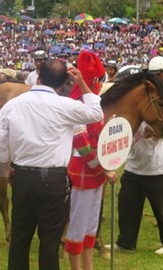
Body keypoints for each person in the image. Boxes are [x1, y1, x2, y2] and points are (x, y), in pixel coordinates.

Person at [0, 59, 103, 270]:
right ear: (63, 83)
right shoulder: (66, 105)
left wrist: (5, 168)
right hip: (54, 180)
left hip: (22, 176)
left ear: (38, 75)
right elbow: (96, 113)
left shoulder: (13, 104)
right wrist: (83, 84)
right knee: (49, 243)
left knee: (20, 241)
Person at [107, 56, 163, 255]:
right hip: (133, 166)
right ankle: (125, 242)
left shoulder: (160, 99)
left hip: (156, 167)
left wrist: (156, 133)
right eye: (154, 75)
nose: (157, 78)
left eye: (159, 74)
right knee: (127, 207)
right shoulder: (138, 101)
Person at [64, 51, 117, 270]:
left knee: (91, 225)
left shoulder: (93, 101)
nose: (99, 84)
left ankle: (88, 267)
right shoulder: (75, 103)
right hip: (84, 170)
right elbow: (82, 143)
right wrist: (103, 169)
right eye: (97, 80)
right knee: (78, 224)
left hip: (96, 171)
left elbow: (98, 135)